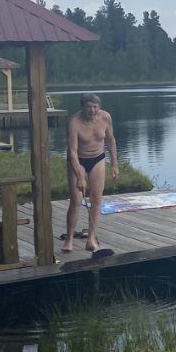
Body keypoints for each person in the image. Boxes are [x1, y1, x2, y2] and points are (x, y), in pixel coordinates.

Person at [63, 93, 119, 253]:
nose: (92, 110)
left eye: (95, 107)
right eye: (89, 107)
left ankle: (91, 237)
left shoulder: (105, 117)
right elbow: (72, 151)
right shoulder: (74, 122)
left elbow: (111, 140)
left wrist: (114, 164)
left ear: (99, 107)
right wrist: (80, 177)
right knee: (76, 200)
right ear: (83, 107)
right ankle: (69, 239)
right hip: (78, 160)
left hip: (98, 158)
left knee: (96, 199)